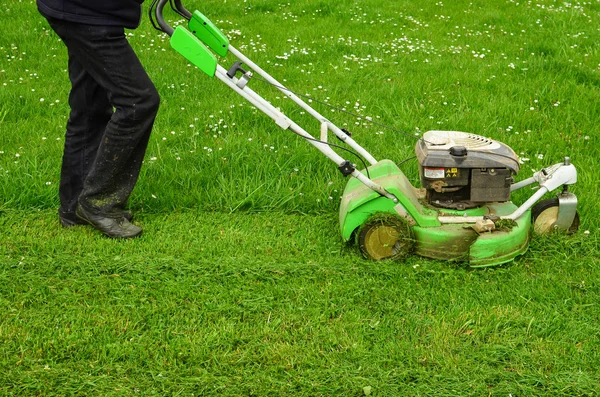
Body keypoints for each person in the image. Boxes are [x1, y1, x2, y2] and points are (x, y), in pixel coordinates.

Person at [36, 0, 160, 238]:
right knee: (138, 102)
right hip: (84, 12)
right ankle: (98, 203)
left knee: (90, 104)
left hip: (84, 12)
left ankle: (74, 207)